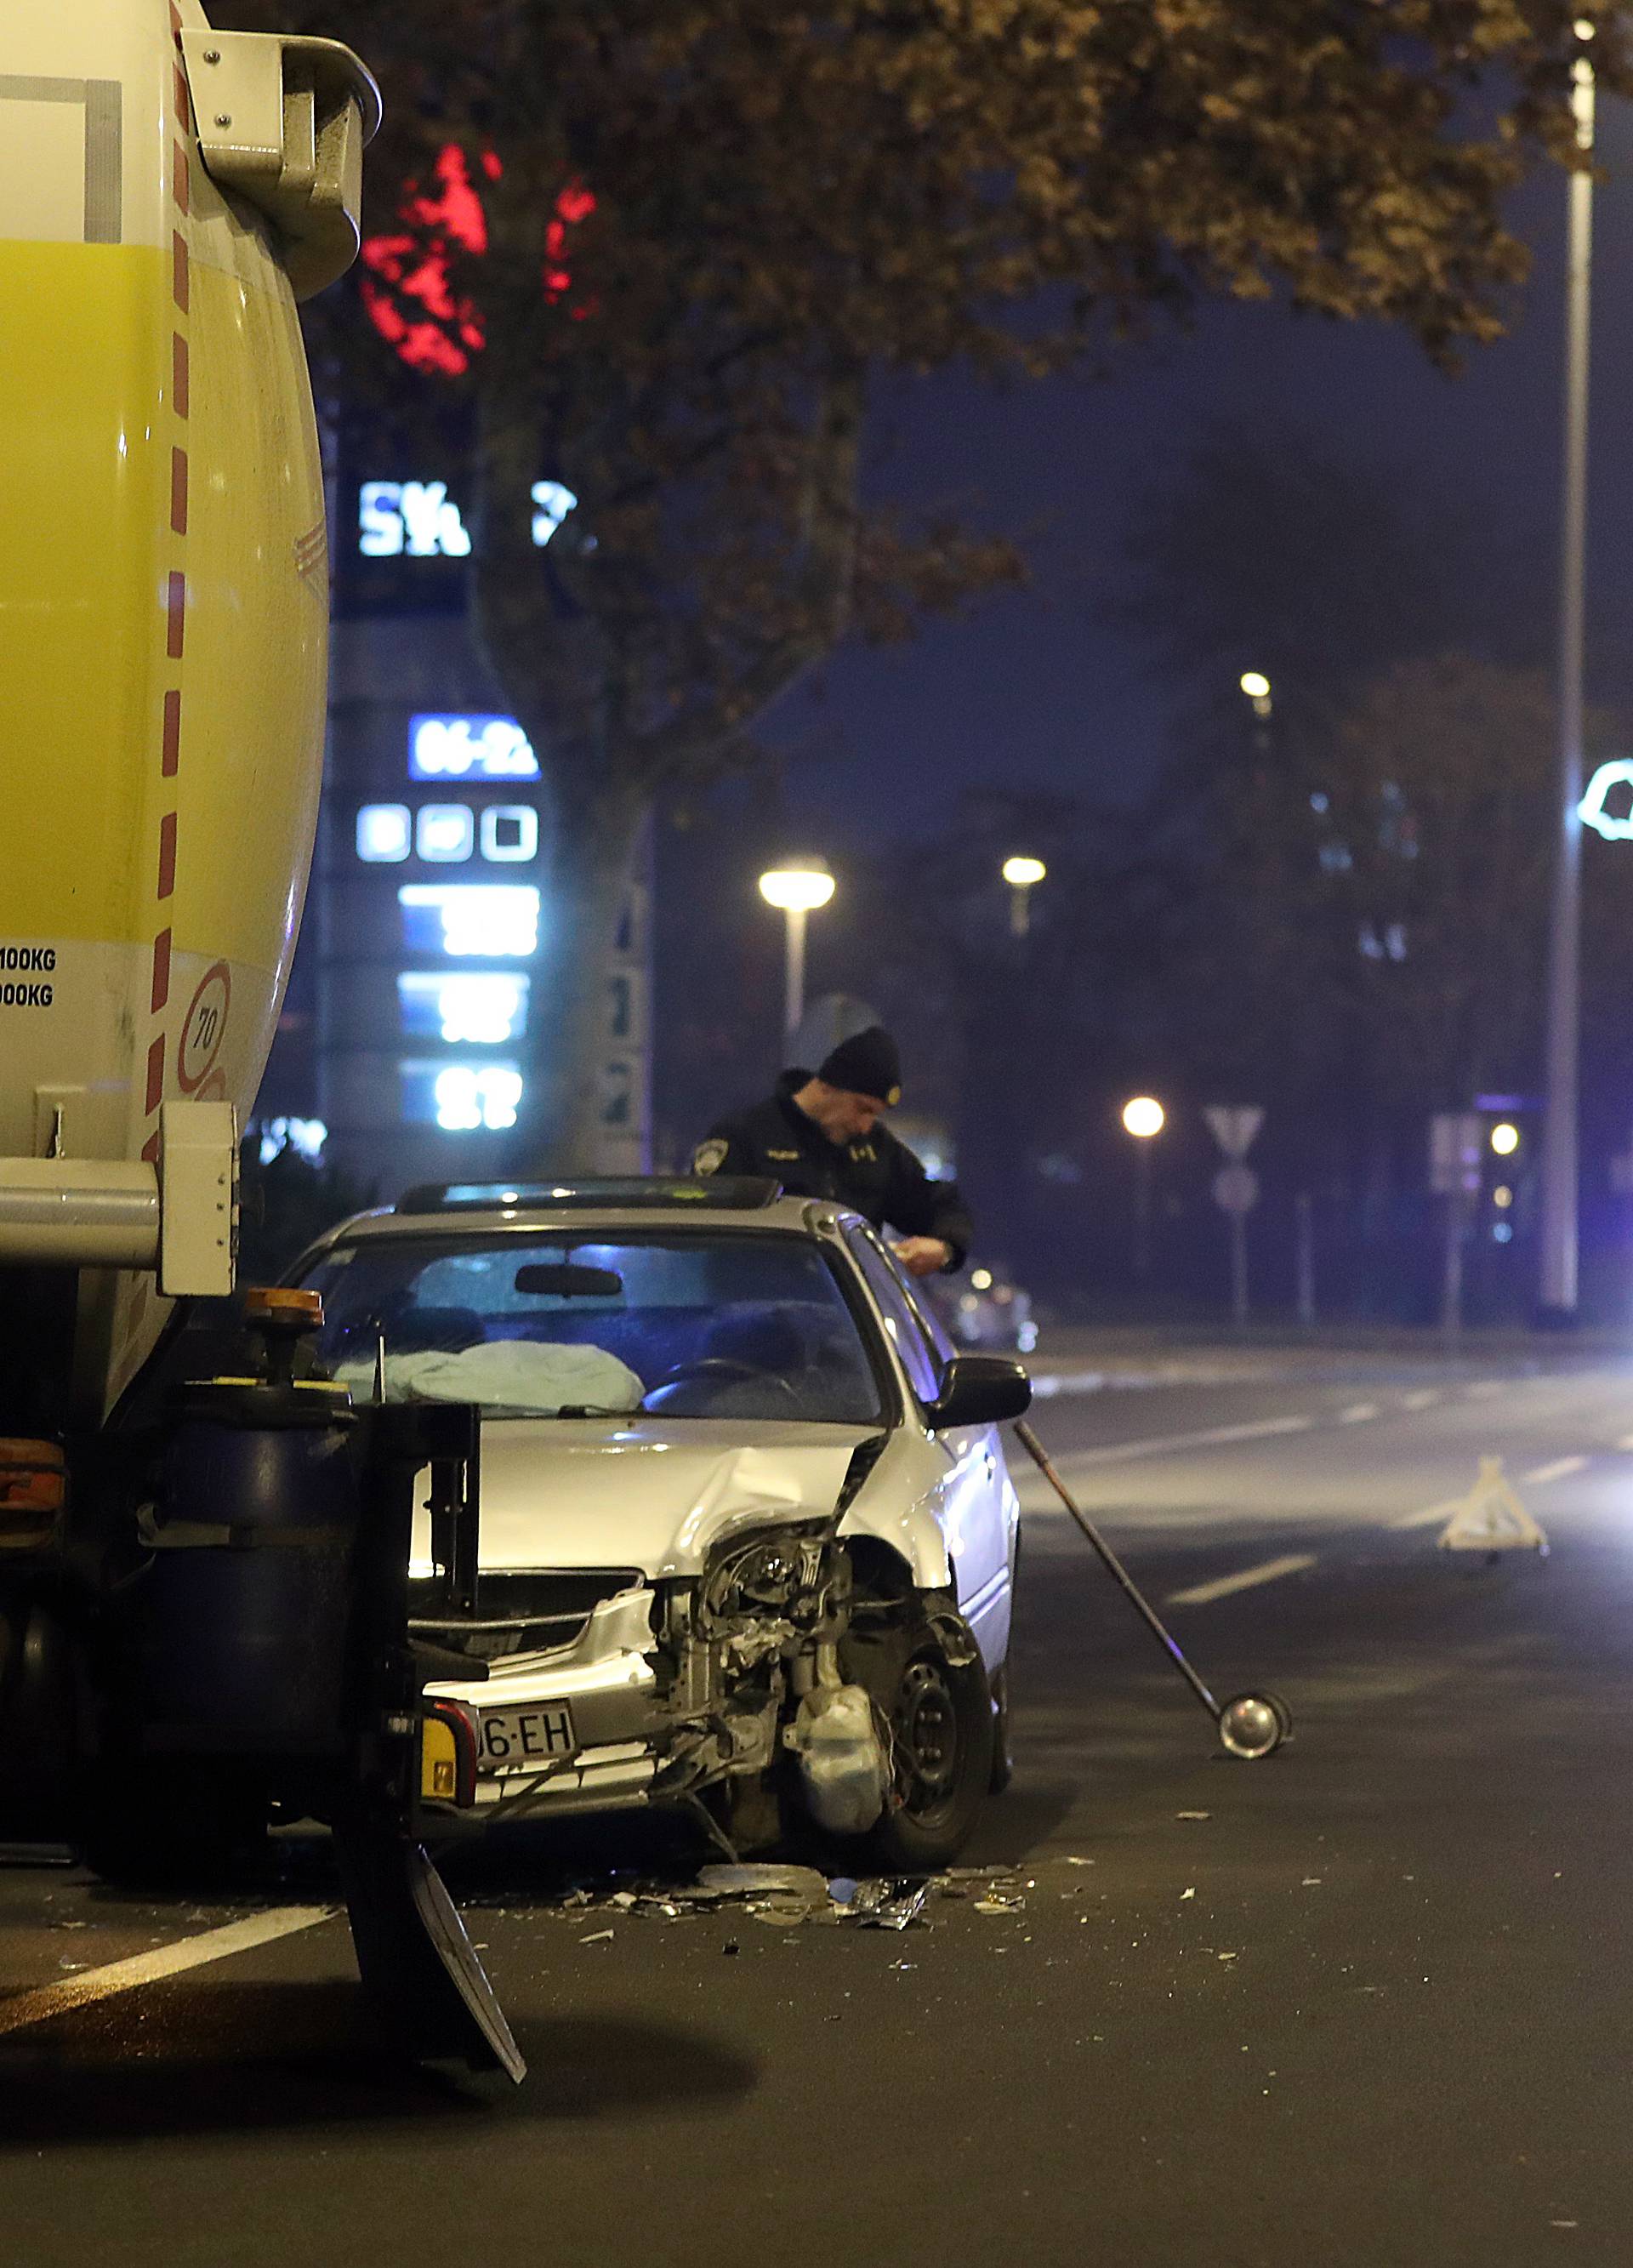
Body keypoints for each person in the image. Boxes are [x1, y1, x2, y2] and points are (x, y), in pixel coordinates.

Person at [692, 1025, 972, 1276]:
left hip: (843, 1324)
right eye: (862, 1108)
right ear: (826, 1086)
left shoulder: (875, 1149)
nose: (865, 1126)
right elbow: (705, 1229)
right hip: (754, 1312)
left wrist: (943, 1248)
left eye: (875, 1115)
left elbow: (939, 1204)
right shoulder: (745, 1136)